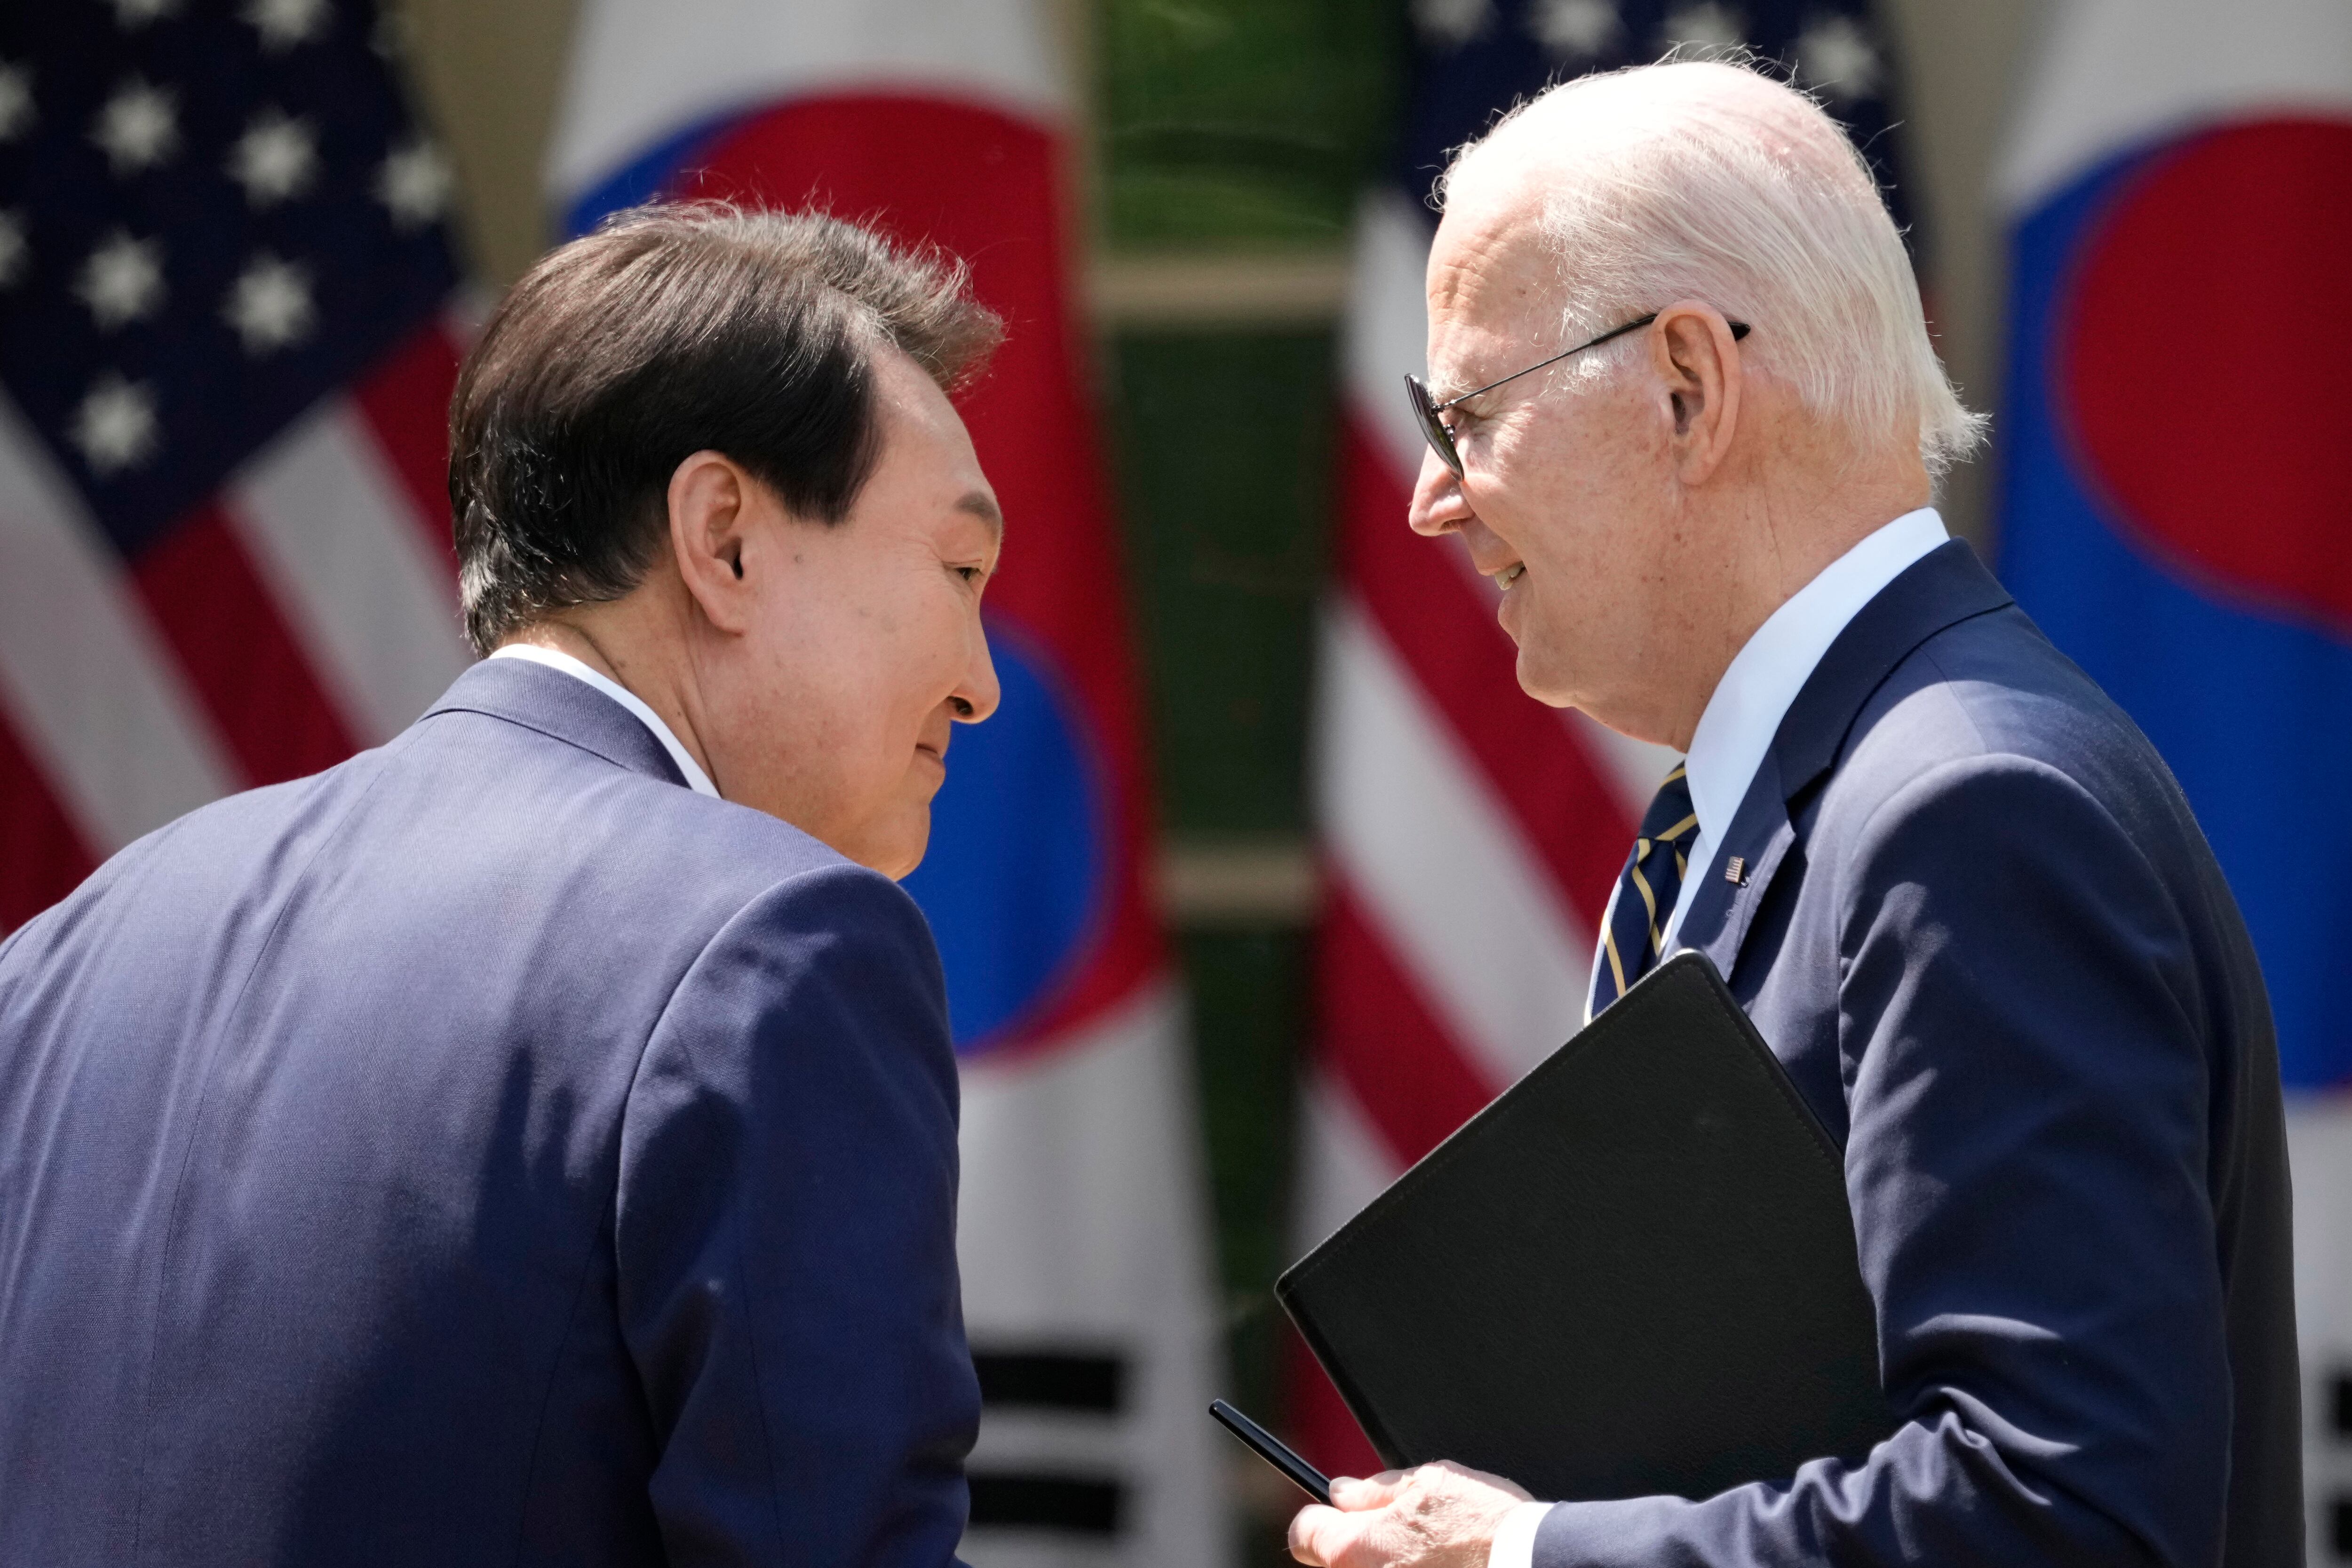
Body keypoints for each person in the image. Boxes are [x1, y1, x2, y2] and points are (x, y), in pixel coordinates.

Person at [1287, 61, 2298, 1568]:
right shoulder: (1805, 808)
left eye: (1467, 415)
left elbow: (2067, 1513)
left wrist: (1530, 1554)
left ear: (1689, 385)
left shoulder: (1966, 811)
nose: (1435, 497)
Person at [0, 205, 1005, 1565]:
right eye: (958, 570)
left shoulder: (61, 958)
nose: (981, 681)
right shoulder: (771, 943)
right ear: (724, 538)